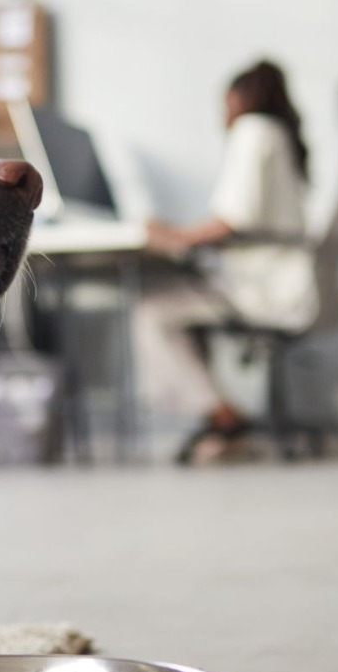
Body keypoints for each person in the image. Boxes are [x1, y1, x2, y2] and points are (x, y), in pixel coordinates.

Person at [134, 60, 317, 456]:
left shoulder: (253, 130)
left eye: (225, 103)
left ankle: (220, 414)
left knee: (151, 310)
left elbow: (235, 218)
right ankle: (220, 421)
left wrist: (172, 235)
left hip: (264, 287)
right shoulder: (283, 136)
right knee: (183, 309)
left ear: (239, 99)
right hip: (282, 279)